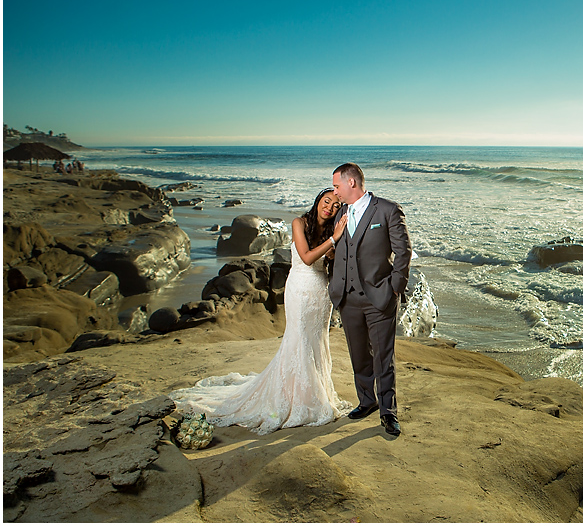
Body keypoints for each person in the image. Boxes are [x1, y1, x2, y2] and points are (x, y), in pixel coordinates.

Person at [169, 188, 351, 435]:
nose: (329, 206)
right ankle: (293, 398)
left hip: (321, 292)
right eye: (326, 201)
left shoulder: (331, 231)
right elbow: (307, 258)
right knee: (298, 341)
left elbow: (330, 260)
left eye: (335, 204)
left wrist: (336, 242)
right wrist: (334, 239)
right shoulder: (300, 223)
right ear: (318, 200)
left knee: (317, 341)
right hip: (301, 289)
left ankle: (316, 393)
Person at [329, 163, 412, 436]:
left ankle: (389, 412)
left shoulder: (387, 210)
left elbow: (404, 252)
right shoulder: (340, 213)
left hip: (380, 296)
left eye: (336, 186)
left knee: (383, 358)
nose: (334, 191)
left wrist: (394, 288)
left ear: (351, 182)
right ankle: (367, 401)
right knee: (359, 354)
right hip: (347, 297)